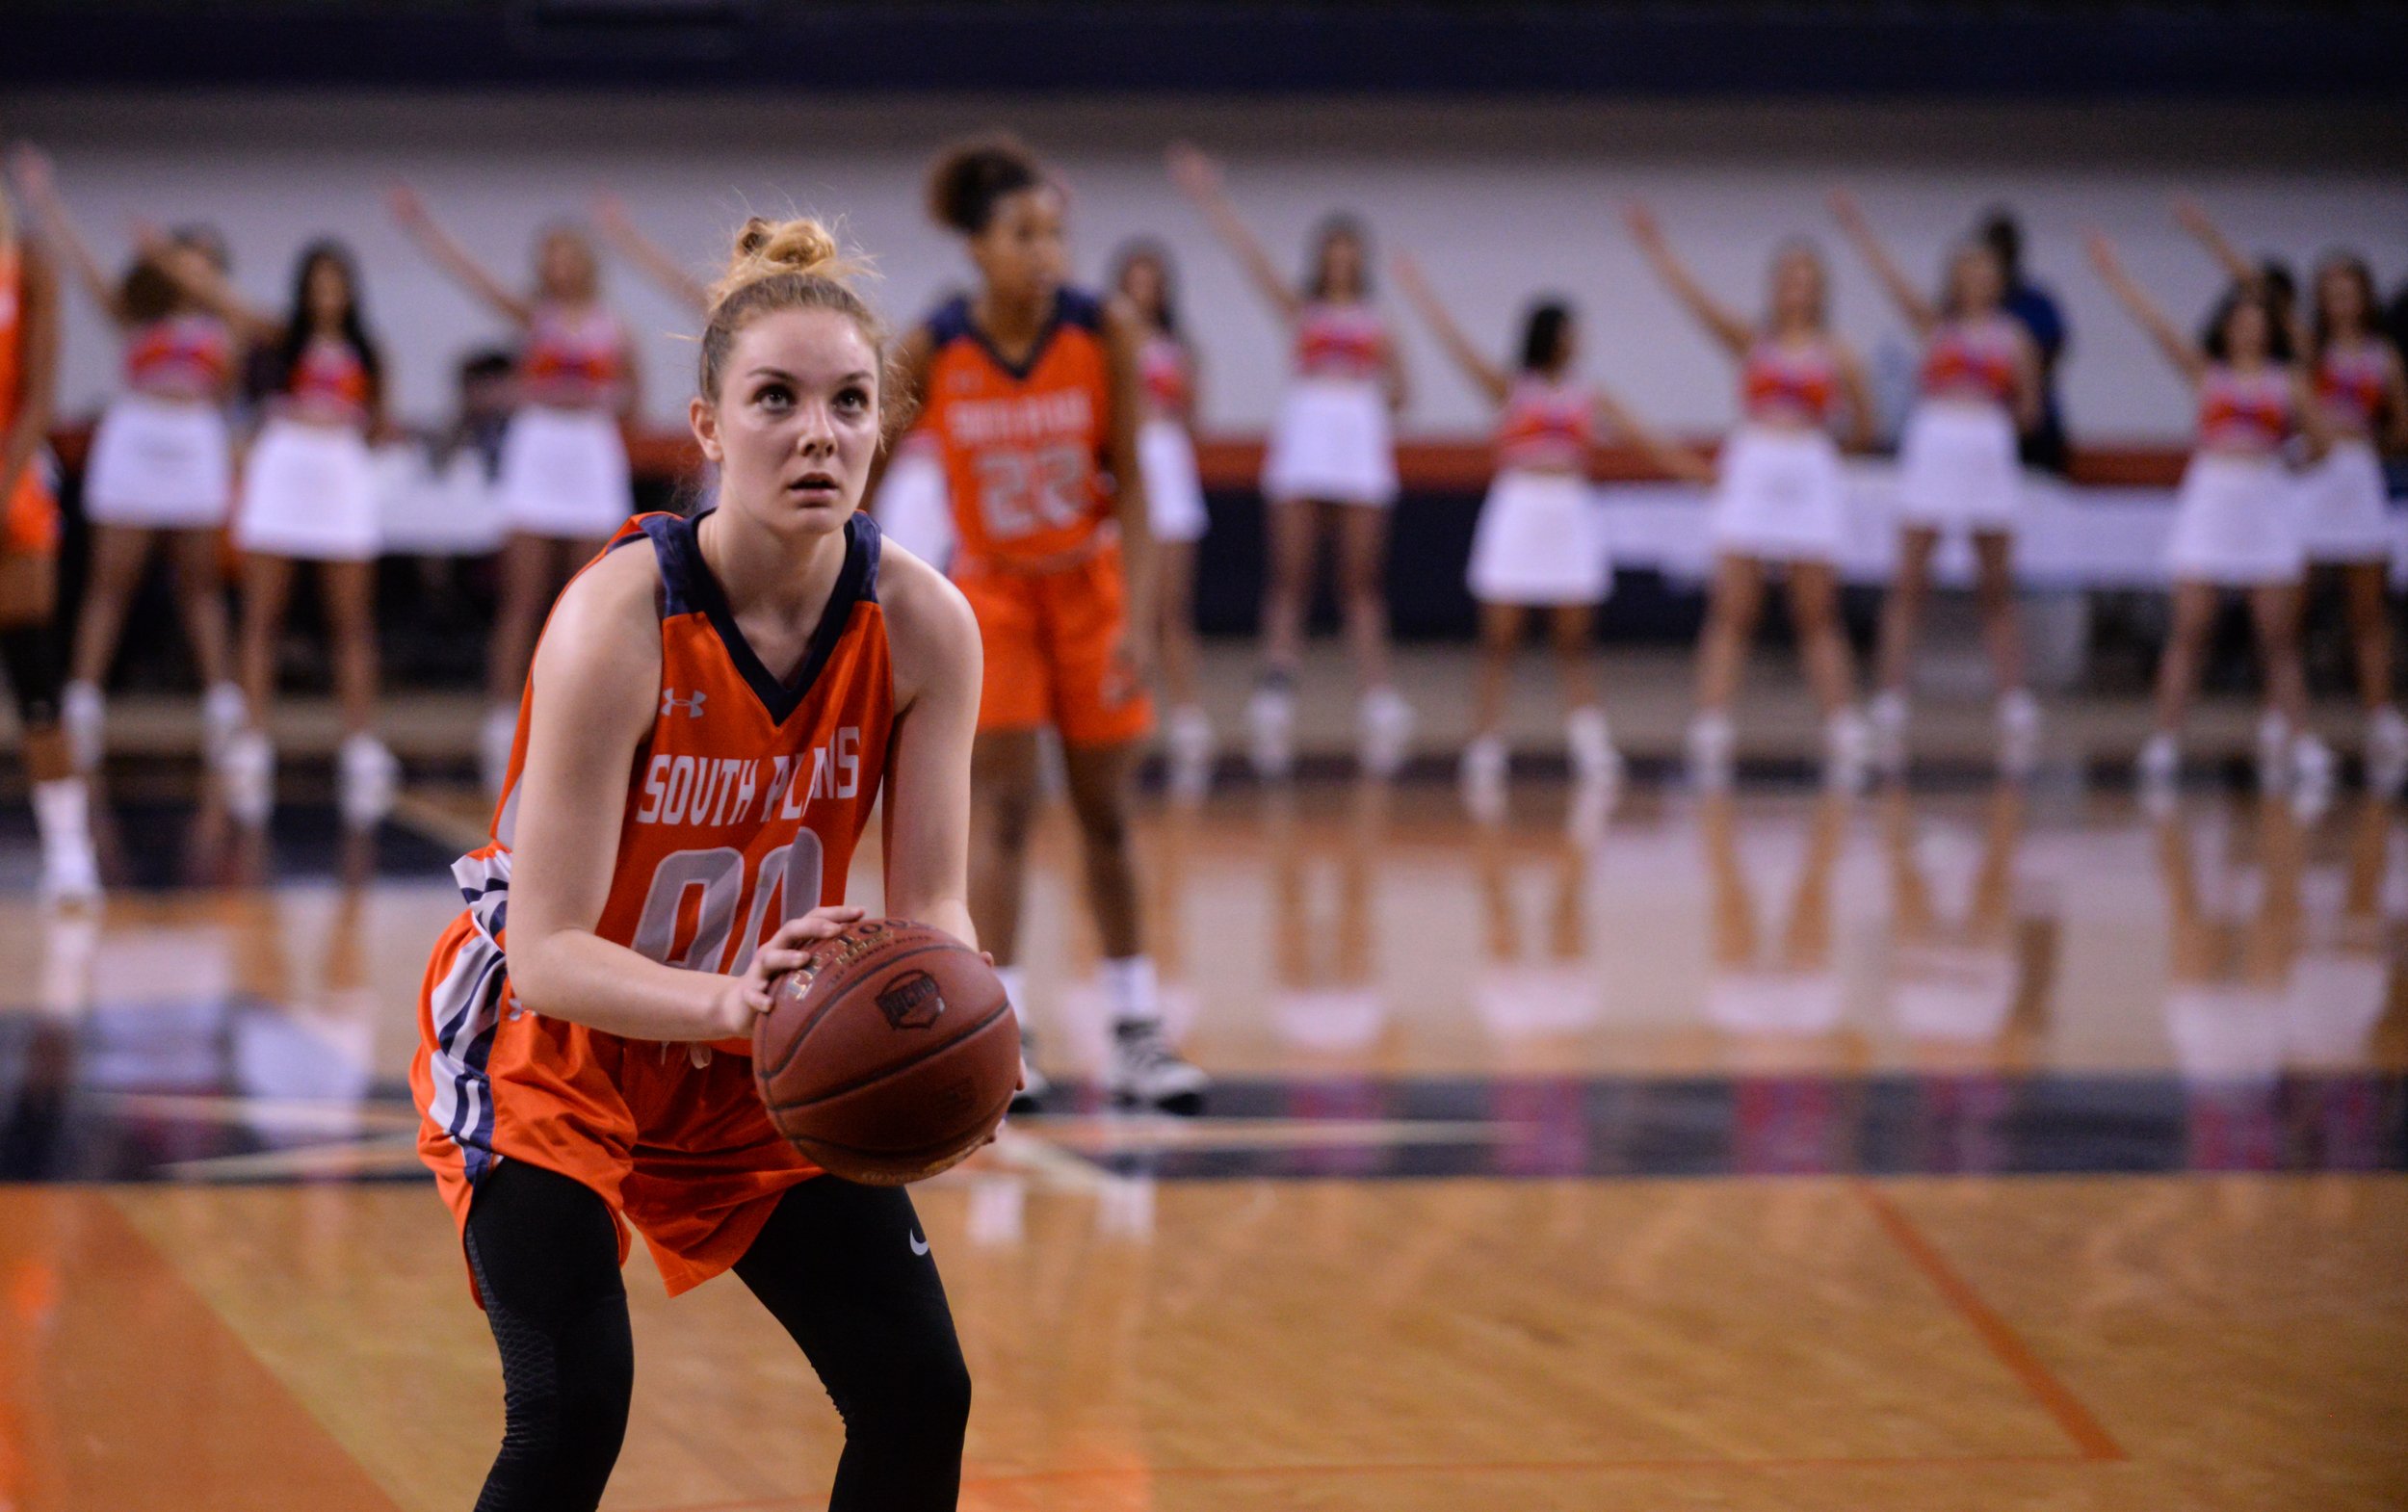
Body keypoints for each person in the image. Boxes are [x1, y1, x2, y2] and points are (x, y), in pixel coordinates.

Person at [409, 216, 982, 1511]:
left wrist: (960, 1021)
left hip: (764, 1055)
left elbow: (933, 901)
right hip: (553, 1043)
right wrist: (733, 1003)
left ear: (882, 425)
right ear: (709, 426)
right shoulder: (621, 616)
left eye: (848, 402)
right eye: (773, 399)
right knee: (572, 1408)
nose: (817, 433)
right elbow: (550, 952)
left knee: (918, 1388)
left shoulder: (928, 624)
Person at [895, 136, 1205, 1113]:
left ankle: (1137, 1028)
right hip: (990, 592)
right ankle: (1003, 1029)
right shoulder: (934, 344)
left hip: (1088, 587)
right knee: (1004, 815)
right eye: (1023, 234)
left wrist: (1141, 620)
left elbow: (1138, 487)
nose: (1047, 251)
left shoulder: (1099, 327)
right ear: (976, 249)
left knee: (1108, 816)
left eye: (1055, 233)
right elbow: (861, 469)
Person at [1391, 249, 1711, 816]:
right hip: (1519, 507)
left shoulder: (1592, 394)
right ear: (1549, 336)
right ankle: (1486, 742)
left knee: (1574, 639)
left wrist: (1699, 474)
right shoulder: (1511, 387)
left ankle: (1588, 742)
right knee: (1500, 637)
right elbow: (1455, 346)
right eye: (1570, 332)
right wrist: (1421, 295)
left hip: (1569, 510)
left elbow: (1646, 438)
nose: (1578, 341)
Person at [1168, 143, 1413, 778]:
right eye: (1330, 257)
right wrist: (1210, 197)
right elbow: (1251, 259)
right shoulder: (1301, 312)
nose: (1339, 266)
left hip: (1356, 444)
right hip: (1306, 442)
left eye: (1348, 257)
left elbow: (1403, 392)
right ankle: (1275, 688)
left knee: (1360, 581)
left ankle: (1376, 693)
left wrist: (1372, 391)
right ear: (1319, 263)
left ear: (1360, 264)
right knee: (1291, 575)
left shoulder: (1377, 321)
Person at [388, 187, 641, 795]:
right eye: (548, 257)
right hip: (541, 451)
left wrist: (597, 403)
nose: (558, 267)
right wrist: (425, 230)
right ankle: (505, 718)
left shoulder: (614, 327)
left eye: (567, 255)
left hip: (588, 453)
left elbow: (633, 396)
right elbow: (470, 276)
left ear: (584, 262)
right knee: (522, 597)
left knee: (594, 599)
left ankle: (595, 712)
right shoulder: (534, 319)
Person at [9, 145, 245, 771]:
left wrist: (177, 260)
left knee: (200, 584)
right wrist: (45, 201)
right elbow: (83, 268)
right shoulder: (135, 316)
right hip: (135, 438)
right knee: (112, 581)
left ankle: (223, 704)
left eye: (197, 260)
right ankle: (82, 700)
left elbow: (246, 337)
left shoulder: (228, 322)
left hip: (194, 439)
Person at [1625, 203, 1876, 789]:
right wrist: (1657, 251)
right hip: (1754, 465)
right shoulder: (1752, 340)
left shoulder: (1840, 353)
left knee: (1815, 610)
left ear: (1820, 290)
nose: (1796, 288)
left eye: (1807, 279)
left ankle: (1842, 725)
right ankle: (1711, 724)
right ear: (1774, 286)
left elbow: (1865, 426)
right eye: (1787, 277)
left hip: (1809, 467)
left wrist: (1821, 456)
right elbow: (1697, 306)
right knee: (1734, 608)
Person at [152, 235, 398, 825]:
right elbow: (223, 298)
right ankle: (254, 739)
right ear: (303, 289)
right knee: (263, 613)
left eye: (336, 283)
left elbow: (381, 425)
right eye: (317, 283)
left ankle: (360, 742)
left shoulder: (370, 352)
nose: (326, 294)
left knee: (352, 620)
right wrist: (164, 256)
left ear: (350, 290)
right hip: (283, 469)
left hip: (339, 470)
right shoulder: (278, 335)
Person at [2087, 230, 2333, 797]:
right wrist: (2114, 276)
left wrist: (2286, 463)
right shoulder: (2207, 375)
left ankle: (2298, 738)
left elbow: (2321, 445)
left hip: (2265, 502)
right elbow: (2156, 326)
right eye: (2238, 319)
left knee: (2277, 635)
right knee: (2191, 628)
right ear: (2225, 327)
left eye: (2257, 320)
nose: (2248, 329)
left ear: (2270, 328)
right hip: (2211, 501)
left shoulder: (2289, 381)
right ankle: (2166, 739)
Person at [2175, 199, 2408, 791]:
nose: (2339, 302)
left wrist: (2364, 440)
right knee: (2285, 613)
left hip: (2357, 479)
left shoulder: (2386, 358)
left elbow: (2400, 426)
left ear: (2366, 297)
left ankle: (2381, 716)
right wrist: (2210, 237)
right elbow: (2257, 293)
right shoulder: (2307, 351)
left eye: (2349, 291)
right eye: (2329, 291)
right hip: (2302, 484)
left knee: (2367, 611)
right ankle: (2283, 718)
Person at [1830, 190, 2045, 775]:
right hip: (1935, 445)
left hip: (1985, 447)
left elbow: (2031, 410)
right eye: (1964, 271)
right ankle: (1891, 696)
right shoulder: (1934, 325)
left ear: (2000, 281)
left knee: (1995, 583)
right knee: (1910, 579)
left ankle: (2013, 698)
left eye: (1985, 272)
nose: (1975, 281)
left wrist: (1995, 419)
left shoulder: (2015, 339)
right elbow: (1889, 278)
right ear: (1952, 279)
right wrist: (1858, 230)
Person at [0, 173, 98, 901]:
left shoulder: (27, 257)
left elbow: (39, 387)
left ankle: (69, 849)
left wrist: (4, 483)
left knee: (33, 667)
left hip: (11, 473)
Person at [1110, 237, 1216, 800]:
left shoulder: (1179, 347)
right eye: (1134, 280)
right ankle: (1126, 723)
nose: (1143, 291)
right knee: (1129, 611)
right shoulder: (1105, 343)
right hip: (1127, 469)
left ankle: (1190, 720)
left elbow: (1195, 415)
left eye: (1152, 281)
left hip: (1169, 464)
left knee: (1173, 609)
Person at [1976, 209, 2071, 476]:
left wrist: (2019, 380)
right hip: (1981, 425)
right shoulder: (1964, 312)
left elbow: (2052, 352)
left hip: (2033, 429)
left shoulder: (2035, 303)